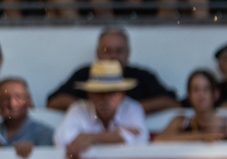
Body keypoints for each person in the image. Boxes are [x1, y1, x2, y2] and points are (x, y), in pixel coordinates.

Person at [47, 26, 178, 113]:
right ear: (97, 53)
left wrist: (129, 110)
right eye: (107, 51)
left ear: (128, 53)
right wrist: (92, 108)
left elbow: (172, 103)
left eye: (119, 51)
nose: (113, 56)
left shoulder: (142, 76)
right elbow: (54, 102)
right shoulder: (84, 74)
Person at [53, 60, 149, 159]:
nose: (106, 99)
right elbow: (61, 139)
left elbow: (141, 139)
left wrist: (91, 138)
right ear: (89, 94)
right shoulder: (79, 109)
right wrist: (115, 135)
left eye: (112, 92)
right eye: (100, 92)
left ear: (122, 94)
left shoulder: (132, 108)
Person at [157, 69, 227, 142]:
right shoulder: (180, 121)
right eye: (195, 89)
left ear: (216, 93)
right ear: (189, 95)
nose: (201, 95)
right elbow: (160, 140)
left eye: (206, 89)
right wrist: (203, 136)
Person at [0, 77, 56, 158]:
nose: (12, 103)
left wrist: (33, 152)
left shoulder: (44, 133)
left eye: (19, 96)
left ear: (29, 100)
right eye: (5, 98)